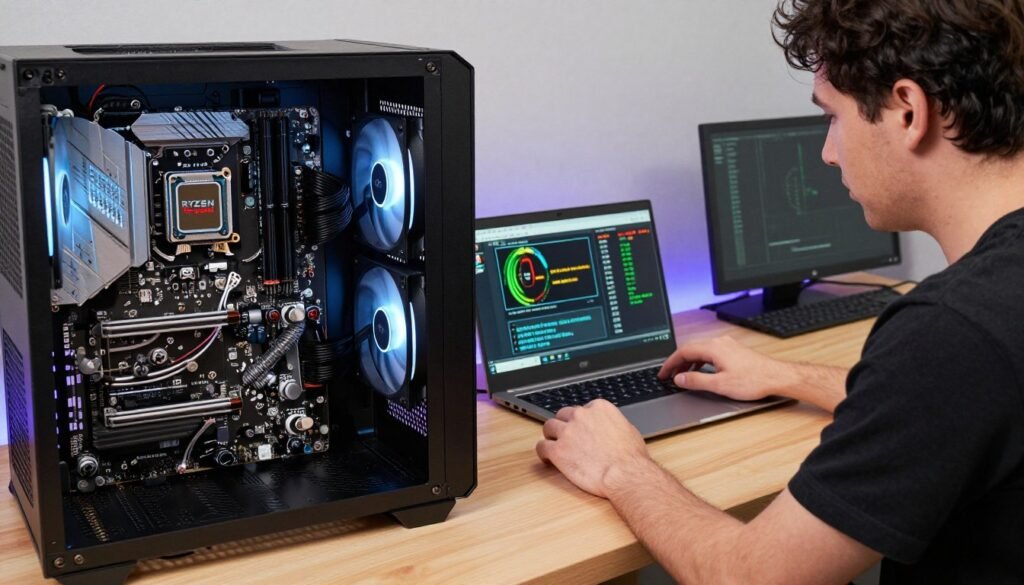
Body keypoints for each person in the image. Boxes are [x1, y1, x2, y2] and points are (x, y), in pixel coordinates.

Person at [535, 1, 1024, 583]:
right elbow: (965, 397)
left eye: (832, 118)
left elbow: (750, 577)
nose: (828, 151)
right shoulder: (982, 324)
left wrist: (621, 467)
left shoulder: (949, 330)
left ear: (907, 110)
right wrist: (784, 376)